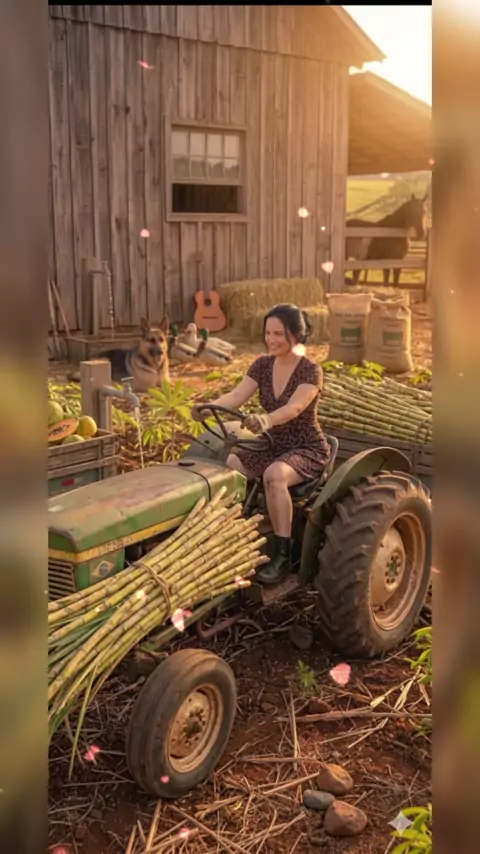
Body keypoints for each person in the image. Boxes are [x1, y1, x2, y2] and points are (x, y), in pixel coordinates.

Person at [191, 303, 331, 585]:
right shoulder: (262, 365)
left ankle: (282, 554)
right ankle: (229, 536)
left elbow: (294, 408)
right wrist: (208, 406)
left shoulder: (310, 371)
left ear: (296, 334)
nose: (271, 339)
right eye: (268, 333)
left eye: (278, 333)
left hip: (305, 446)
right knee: (231, 465)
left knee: (274, 475)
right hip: (273, 443)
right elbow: (236, 396)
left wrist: (266, 419)